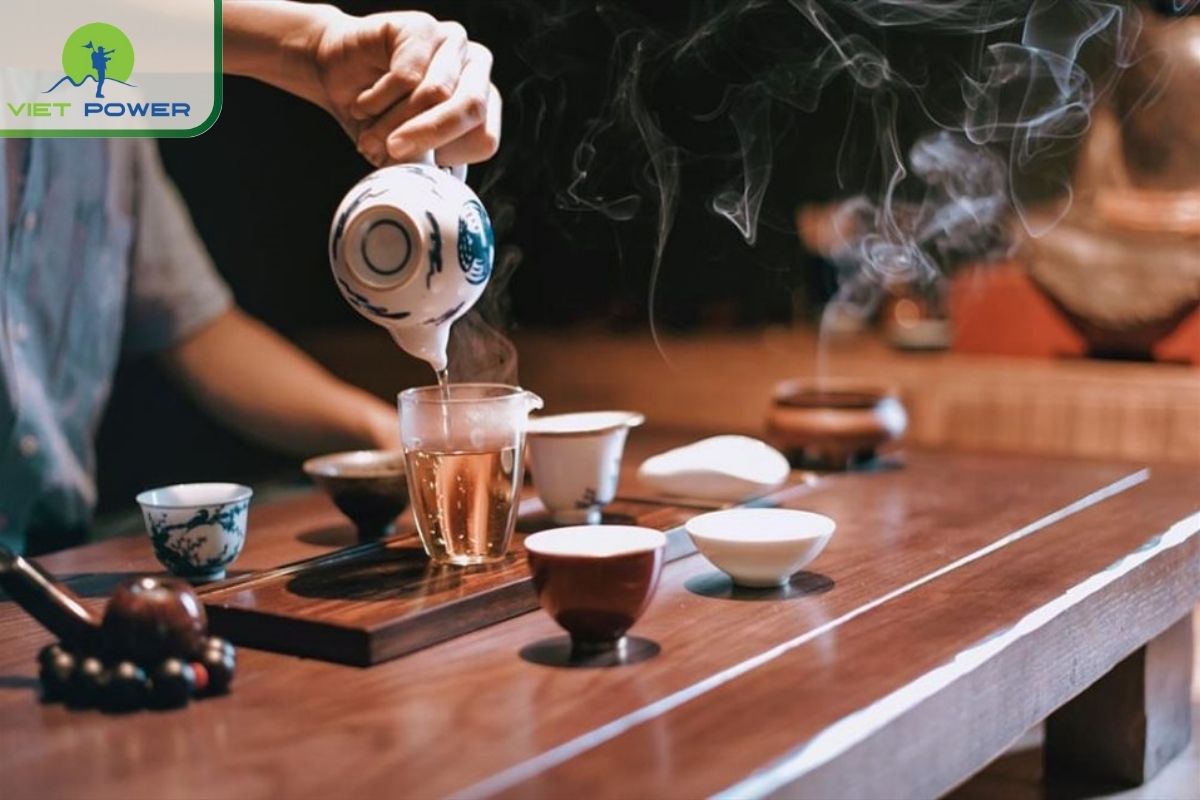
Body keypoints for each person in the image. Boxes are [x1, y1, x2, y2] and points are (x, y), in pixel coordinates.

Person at [0, 2, 501, 555]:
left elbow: (196, 327)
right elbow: (26, 33)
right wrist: (310, 44)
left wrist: (387, 429)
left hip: (49, 558)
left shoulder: (103, 118)